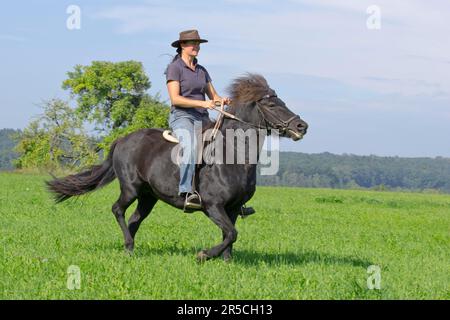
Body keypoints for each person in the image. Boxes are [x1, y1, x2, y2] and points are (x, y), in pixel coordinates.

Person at [165, 29, 255, 217]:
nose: (196, 46)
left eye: (198, 43)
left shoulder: (202, 70)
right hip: (183, 117)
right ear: (182, 45)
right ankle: (187, 192)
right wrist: (203, 103)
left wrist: (223, 101)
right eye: (192, 43)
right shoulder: (175, 68)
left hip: (203, 118)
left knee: (226, 146)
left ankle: (234, 199)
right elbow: (175, 99)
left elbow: (213, 96)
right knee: (190, 146)